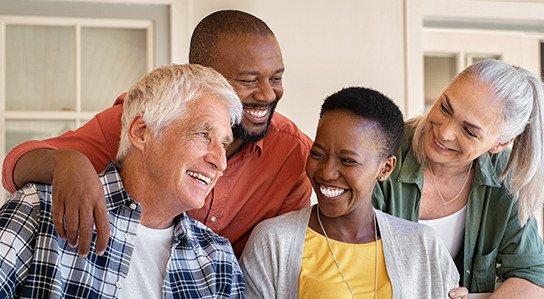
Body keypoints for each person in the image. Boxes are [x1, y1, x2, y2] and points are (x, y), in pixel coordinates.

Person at [1, 10, 312, 258]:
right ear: (203, 76)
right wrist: (66, 162)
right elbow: (15, 166)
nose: (268, 94)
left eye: (276, 78)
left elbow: (277, 257)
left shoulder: (293, 152)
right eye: (248, 80)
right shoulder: (146, 120)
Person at [0, 64, 245, 298]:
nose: (220, 162)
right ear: (141, 132)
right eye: (203, 134)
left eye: (224, 144)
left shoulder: (218, 260)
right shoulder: (40, 209)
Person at [239, 87, 461, 299]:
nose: (327, 172)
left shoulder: (423, 246)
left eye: (347, 161)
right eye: (317, 154)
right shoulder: (274, 241)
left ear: (385, 168)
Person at [373, 59, 544, 298]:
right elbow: (348, 260)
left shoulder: (506, 177)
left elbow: (531, 273)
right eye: (445, 108)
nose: (444, 132)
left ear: (501, 143)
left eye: (469, 131)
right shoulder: (381, 150)